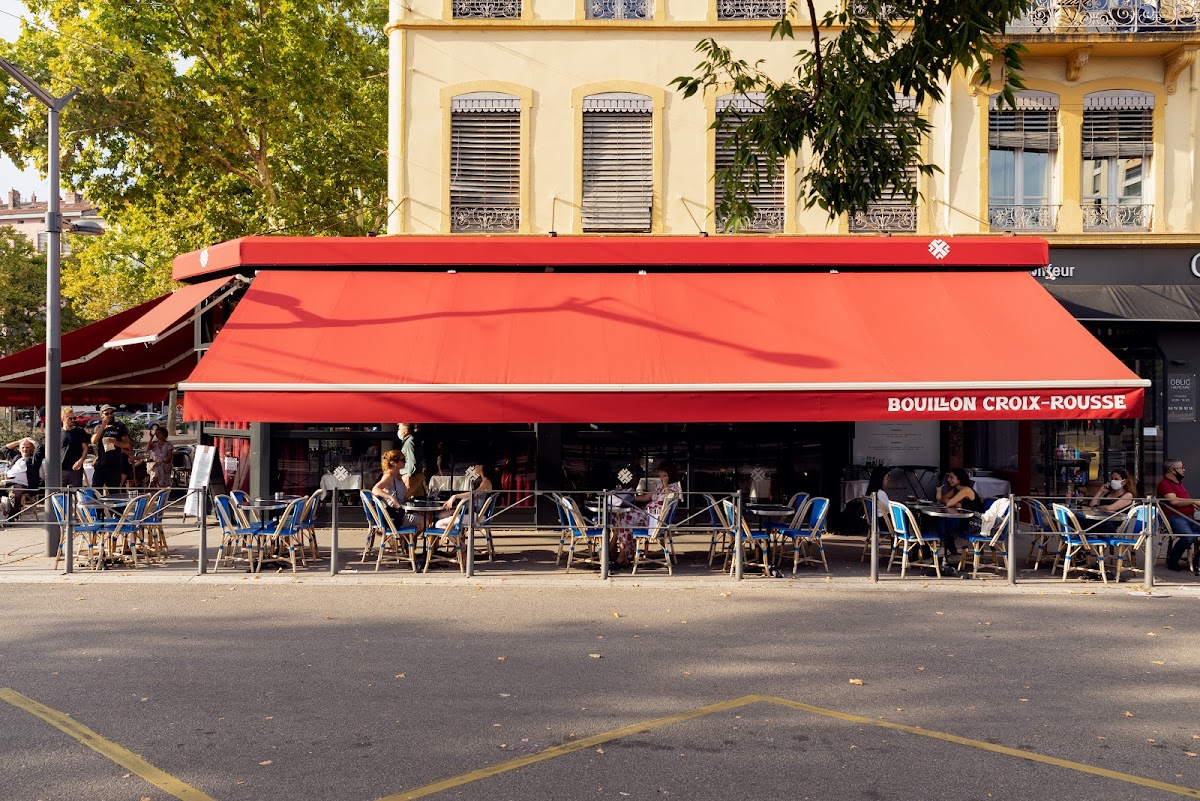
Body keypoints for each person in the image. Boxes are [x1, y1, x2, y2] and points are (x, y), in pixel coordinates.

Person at [612, 460, 683, 568]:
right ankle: (622, 554)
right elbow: (646, 497)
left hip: (656, 520)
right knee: (620, 518)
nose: (658, 474)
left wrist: (665, 484)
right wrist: (626, 497)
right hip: (647, 515)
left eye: (660, 471)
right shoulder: (658, 485)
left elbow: (669, 498)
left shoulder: (673, 487)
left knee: (624, 519)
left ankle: (620, 554)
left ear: (665, 473)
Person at [1159, 458, 1200, 571]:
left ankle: (1197, 559)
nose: (1183, 470)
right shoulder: (1165, 484)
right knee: (1188, 537)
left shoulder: (1179, 483)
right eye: (1181, 468)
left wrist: (1192, 504)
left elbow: (1182, 500)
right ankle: (1172, 560)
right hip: (1175, 518)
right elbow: (1174, 501)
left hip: (1189, 517)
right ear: (1173, 470)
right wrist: (1192, 501)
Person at [934, 467, 985, 556]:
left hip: (975, 523)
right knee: (943, 520)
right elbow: (942, 499)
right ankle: (948, 548)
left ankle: (945, 547)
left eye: (952, 477)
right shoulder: (956, 489)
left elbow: (949, 503)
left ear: (960, 478)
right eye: (949, 477)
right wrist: (956, 502)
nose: (949, 480)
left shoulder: (966, 490)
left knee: (945, 522)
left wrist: (953, 501)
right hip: (965, 519)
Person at [372, 449, 425, 532]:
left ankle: (406, 541)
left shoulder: (398, 475)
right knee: (424, 522)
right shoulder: (389, 476)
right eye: (403, 460)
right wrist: (390, 497)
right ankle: (405, 540)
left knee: (426, 516)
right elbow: (375, 489)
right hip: (395, 514)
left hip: (402, 510)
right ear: (394, 463)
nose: (405, 462)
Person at [435, 459, 492, 529]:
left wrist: (455, 496)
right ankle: (457, 537)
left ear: (481, 467)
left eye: (475, 465)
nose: (474, 467)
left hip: (477, 514)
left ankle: (457, 539)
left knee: (438, 524)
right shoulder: (483, 481)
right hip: (473, 511)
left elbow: (473, 494)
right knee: (441, 515)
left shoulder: (486, 482)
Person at [90, 405, 131, 489]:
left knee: (113, 491)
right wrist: (103, 425)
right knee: (96, 489)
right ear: (101, 415)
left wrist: (116, 442)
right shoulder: (98, 427)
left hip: (115, 464)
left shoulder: (119, 426)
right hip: (101, 464)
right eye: (107, 413)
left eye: (111, 413)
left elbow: (127, 444)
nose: (110, 415)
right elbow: (93, 441)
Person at [0, 437, 44, 517]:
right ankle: (4, 510)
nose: (25, 449)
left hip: (23, 485)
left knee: (15, 493)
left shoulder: (34, 460)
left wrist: (30, 440)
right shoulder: (16, 458)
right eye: (23, 447)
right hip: (8, 482)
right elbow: (4, 448)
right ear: (19, 449)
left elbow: (40, 447)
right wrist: (19, 441)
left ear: (32, 449)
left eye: (27, 447)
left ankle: (13, 515)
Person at [58, 406, 91, 487]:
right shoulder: (58, 432)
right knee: (60, 493)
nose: (73, 420)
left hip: (75, 468)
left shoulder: (79, 431)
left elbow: (85, 448)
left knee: (76, 492)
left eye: (74, 418)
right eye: (70, 419)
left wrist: (80, 461)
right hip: (61, 468)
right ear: (63, 419)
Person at [397, 423, 427, 497]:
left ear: (405, 431)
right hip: (416, 474)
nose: (398, 431)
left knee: (405, 497)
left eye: (399, 429)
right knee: (418, 497)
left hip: (410, 475)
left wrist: (409, 478)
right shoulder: (413, 439)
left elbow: (411, 461)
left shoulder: (408, 442)